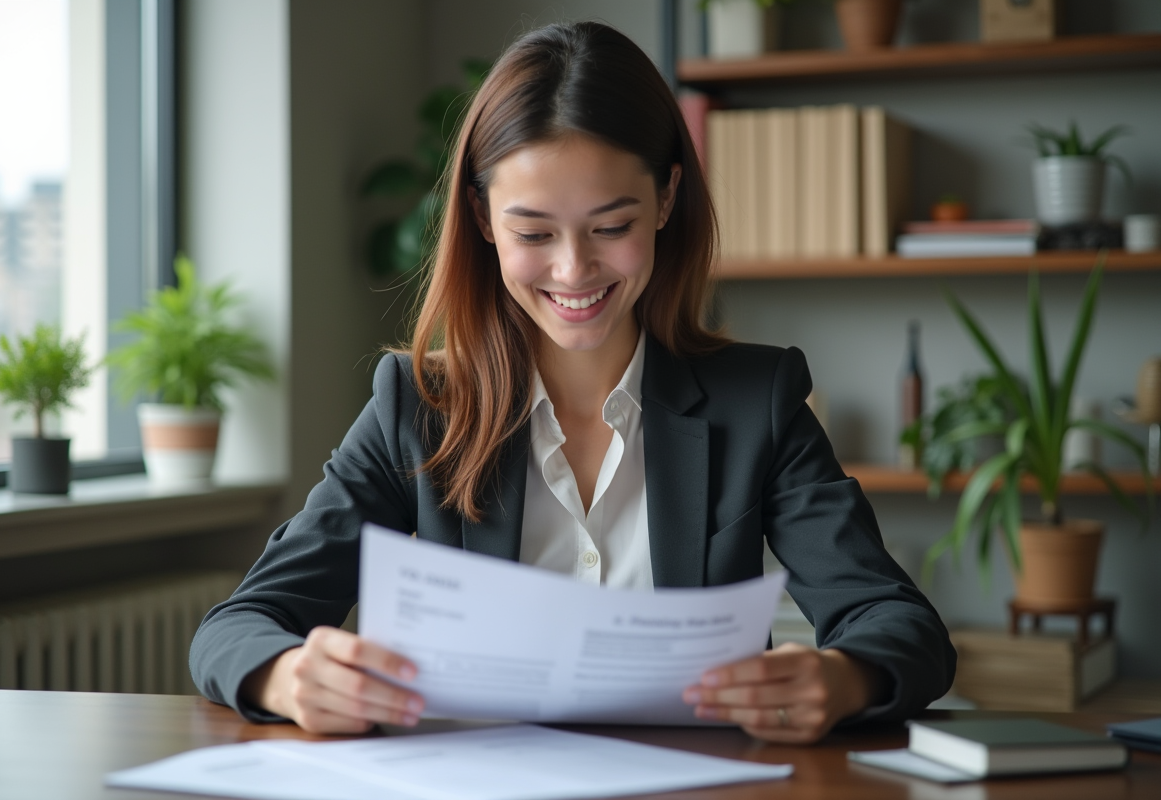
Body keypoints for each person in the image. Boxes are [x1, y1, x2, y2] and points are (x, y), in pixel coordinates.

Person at [190, 20, 955, 744]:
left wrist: (843, 678)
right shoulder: (417, 407)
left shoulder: (758, 402)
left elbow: (899, 624)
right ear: (484, 219)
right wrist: (289, 678)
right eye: (533, 233)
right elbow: (238, 625)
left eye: (611, 226)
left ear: (665, 200)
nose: (572, 269)